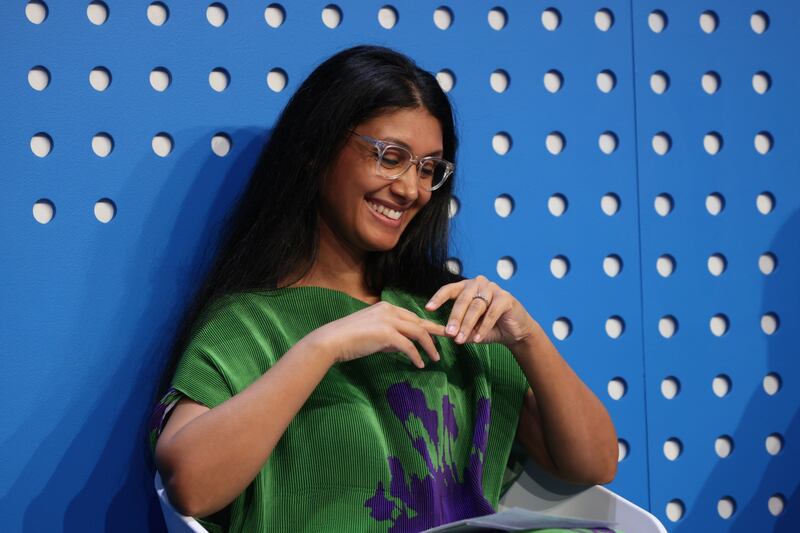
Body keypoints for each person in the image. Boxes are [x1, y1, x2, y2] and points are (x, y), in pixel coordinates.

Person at [148, 44, 618, 533]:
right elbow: (190, 485)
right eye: (391, 157)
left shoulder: (446, 311)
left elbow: (595, 464)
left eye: (428, 168)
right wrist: (323, 347)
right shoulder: (249, 322)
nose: (412, 189)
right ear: (315, 151)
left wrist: (527, 339)